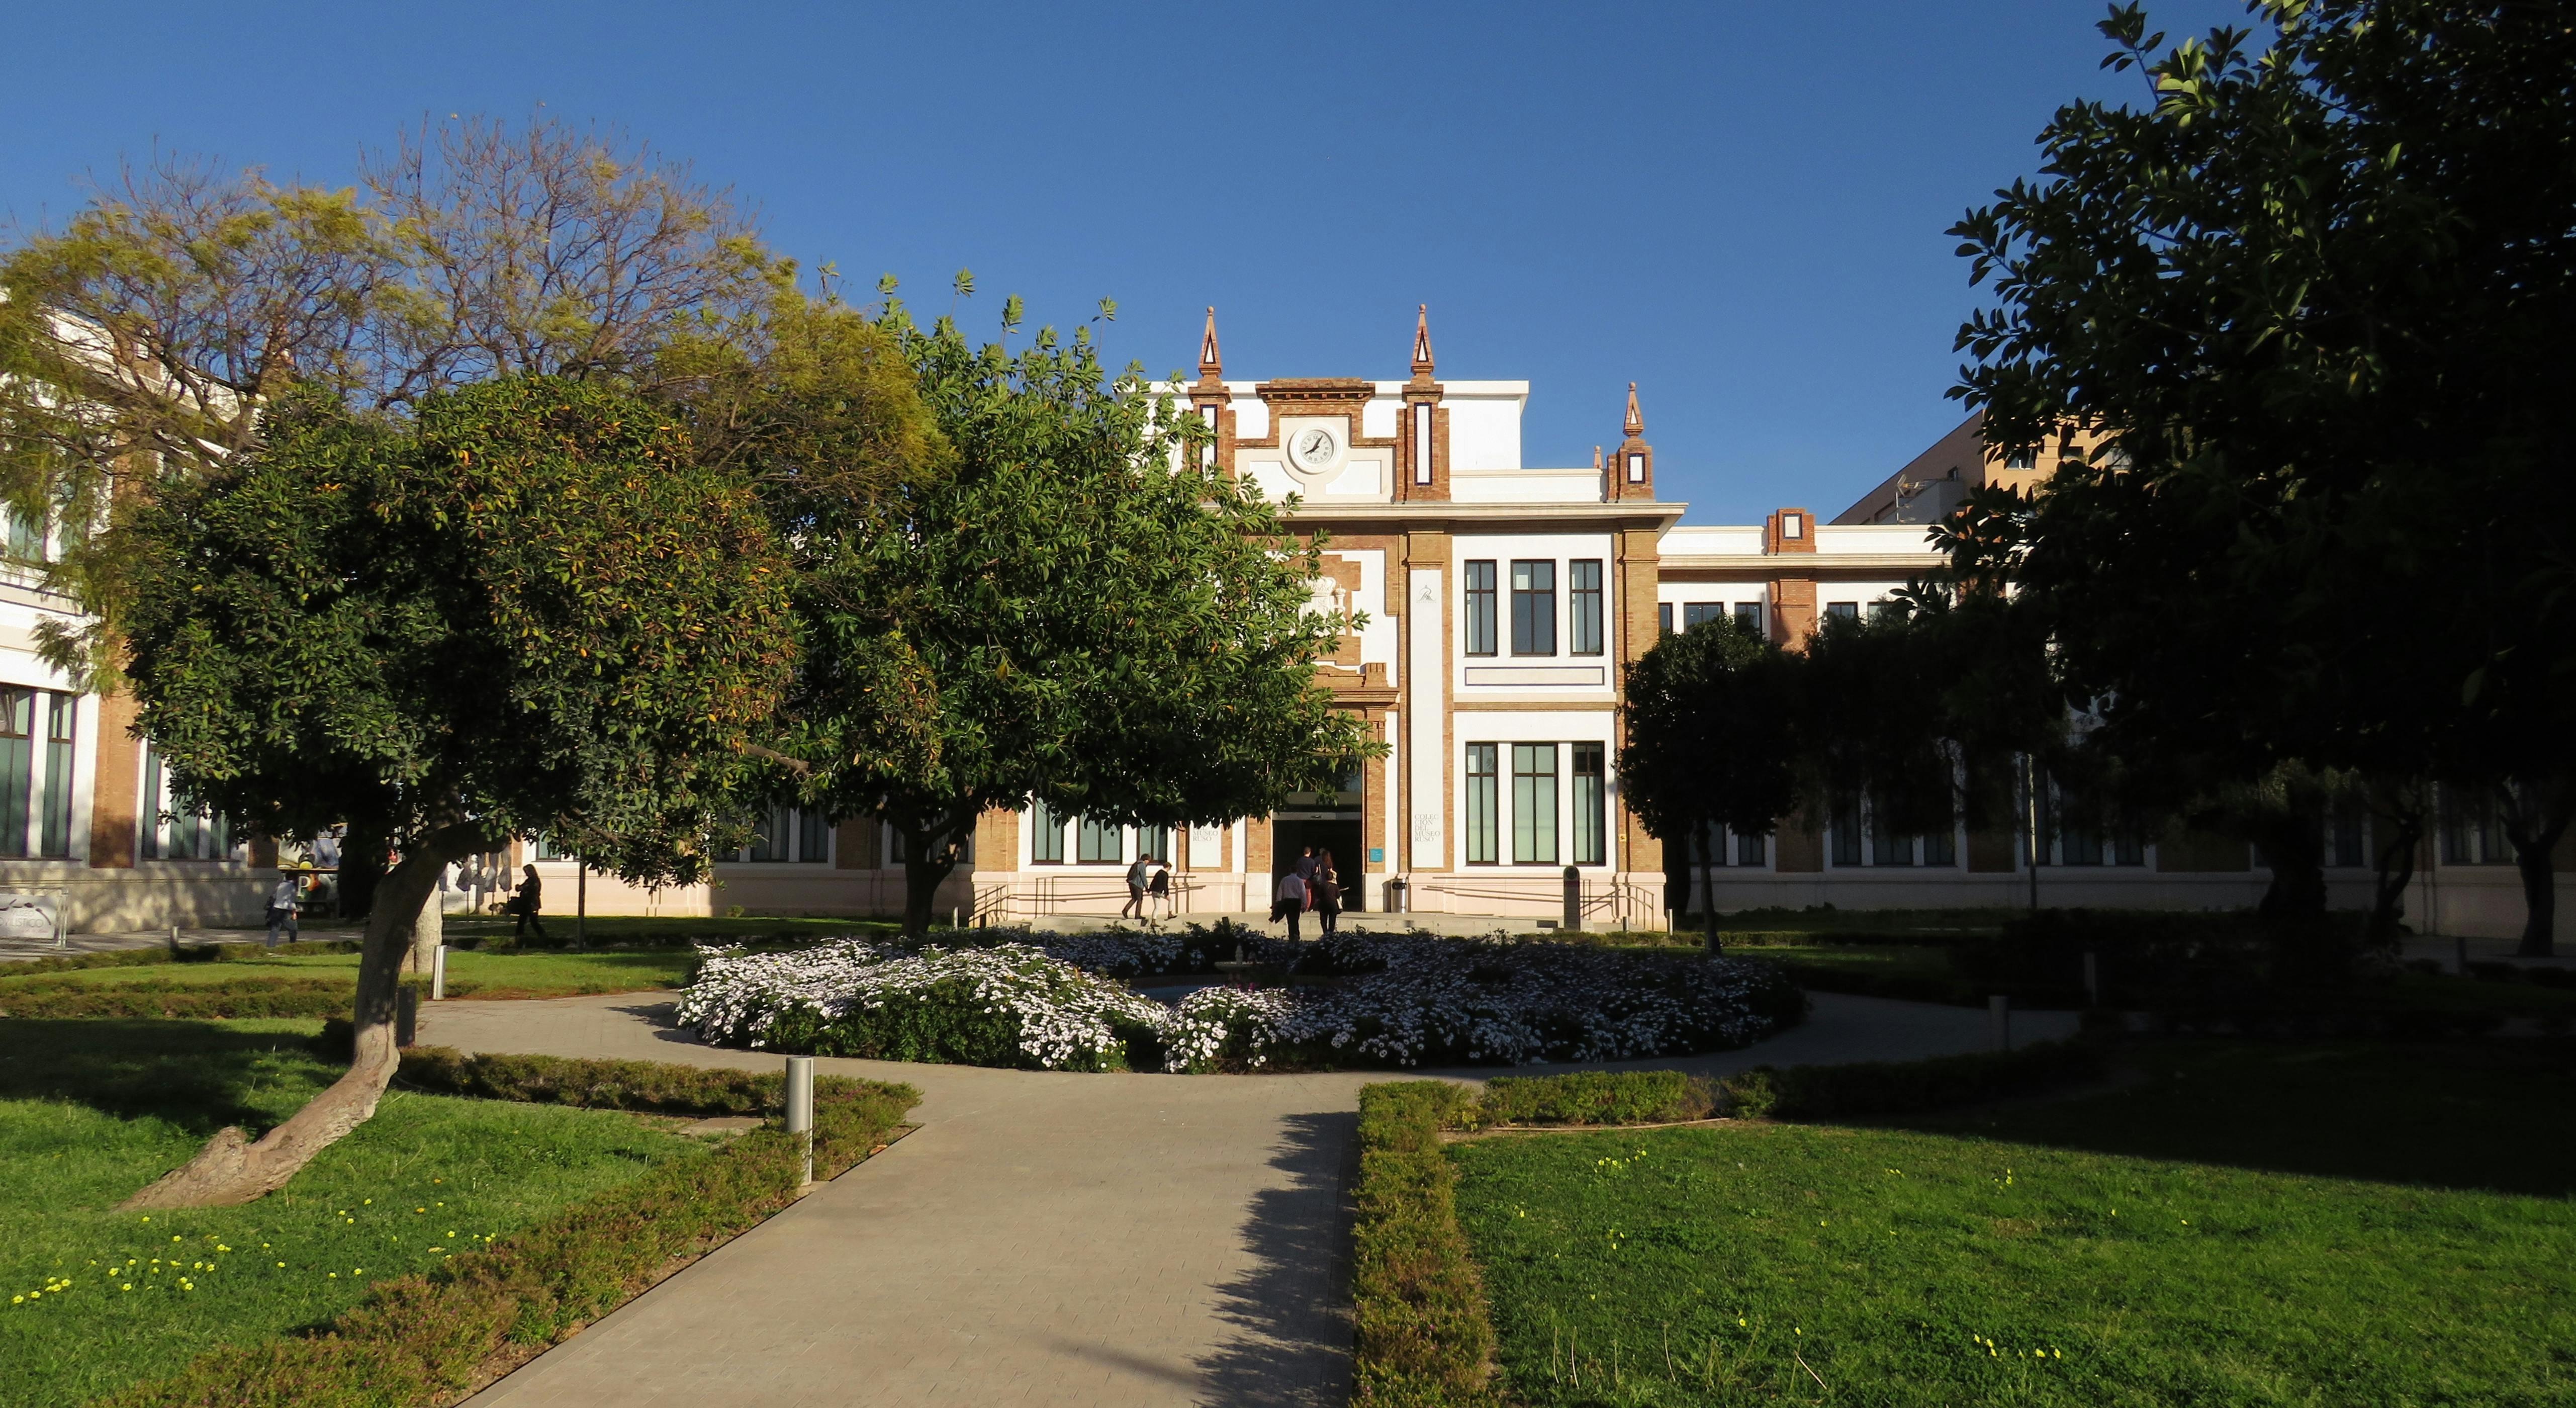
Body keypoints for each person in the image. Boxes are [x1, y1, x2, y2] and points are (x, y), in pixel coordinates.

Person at [264, 870, 303, 947]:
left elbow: (274, 896)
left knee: (275, 929)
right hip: (286, 910)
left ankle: (270, 946)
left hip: (276, 908)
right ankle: (293, 944)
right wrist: (294, 913)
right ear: (294, 878)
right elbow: (291, 900)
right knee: (293, 929)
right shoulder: (292, 887)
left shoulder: (281, 885)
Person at [511, 862, 549, 941]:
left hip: (532, 904)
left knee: (534, 922)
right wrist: (519, 888)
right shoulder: (529, 880)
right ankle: (519, 936)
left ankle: (543, 936)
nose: (526, 873)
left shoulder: (535, 881)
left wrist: (523, 889)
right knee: (522, 921)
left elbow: (532, 890)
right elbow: (521, 888)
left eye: (527, 872)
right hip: (526, 904)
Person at [1272, 866, 1309, 943]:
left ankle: (1292, 936)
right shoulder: (1299, 881)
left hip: (1287, 901)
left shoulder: (1285, 880)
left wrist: (1278, 901)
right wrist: (1304, 904)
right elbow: (1303, 893)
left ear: (1290, 871)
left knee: (1290, 920)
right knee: (1296, 920)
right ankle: (1296, 935)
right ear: (1297, 871)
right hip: (1296, 902)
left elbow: (1280, 891)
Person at [1312, 850, 1342, 936]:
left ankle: (1325, 933)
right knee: (1332, 919)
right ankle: (1331, 933)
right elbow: (1339, 896)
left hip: (1323, 902)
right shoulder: (1330, 863)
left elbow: (1318, 896)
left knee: (1323, 919)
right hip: (1332, 904)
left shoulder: (1319, 862)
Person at [1122, 852, 1150, 920]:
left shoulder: (1136, 863)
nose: (1148, 862)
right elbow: (1143, 876)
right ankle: (1137, 915)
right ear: (1145, 860)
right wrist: (1146, 886)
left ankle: (1125, 910)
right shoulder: (1142, 865)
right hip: (1137, 884)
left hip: (1131, 883)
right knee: (1140, 900)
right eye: (1148, 860)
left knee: (1134, 898)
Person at [1147, 855, 1173, 919]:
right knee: (1171, 899)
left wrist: (1150, 889)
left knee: (1157, 907)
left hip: (1154, 891)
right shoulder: (1165, 874)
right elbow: (1165, 884)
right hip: (1159, 891)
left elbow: (1153, 881)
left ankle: (1154, 921)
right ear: (1168, 867)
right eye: (1170, 868)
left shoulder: (1158, 872)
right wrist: (1167, 893)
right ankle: (1170, 914)